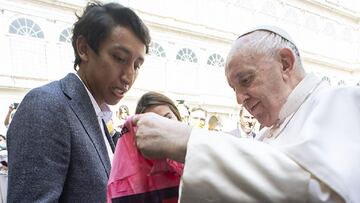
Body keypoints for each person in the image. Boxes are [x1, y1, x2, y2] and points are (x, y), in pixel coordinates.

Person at [132, 25, 360, 202]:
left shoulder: (344, 102)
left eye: (246, 80)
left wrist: (189, 141)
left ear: (285, 63)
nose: (240, 99)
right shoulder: (264, 135)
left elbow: (327, 193)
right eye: (234, 89)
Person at [6, 2, 150, 202]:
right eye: (119, 58)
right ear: (83, 49)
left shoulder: (98, 115)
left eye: (137, 65)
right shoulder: (47, 105)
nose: (129, 76)